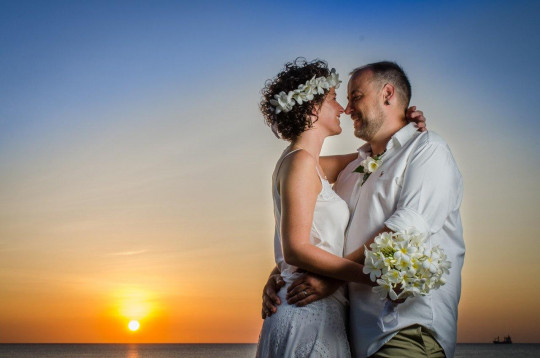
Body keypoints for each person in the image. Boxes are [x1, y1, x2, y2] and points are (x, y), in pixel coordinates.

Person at [262, 61, 464, 358]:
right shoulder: (352, 168)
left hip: (400, 329)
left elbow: (403, 232)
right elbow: (302, 204)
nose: (346, 107)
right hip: (348, 334)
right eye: (338, 98)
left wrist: (332, 278)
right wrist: (283, 272)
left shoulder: (427, 150)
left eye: (355, 96)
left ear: (387, 94)